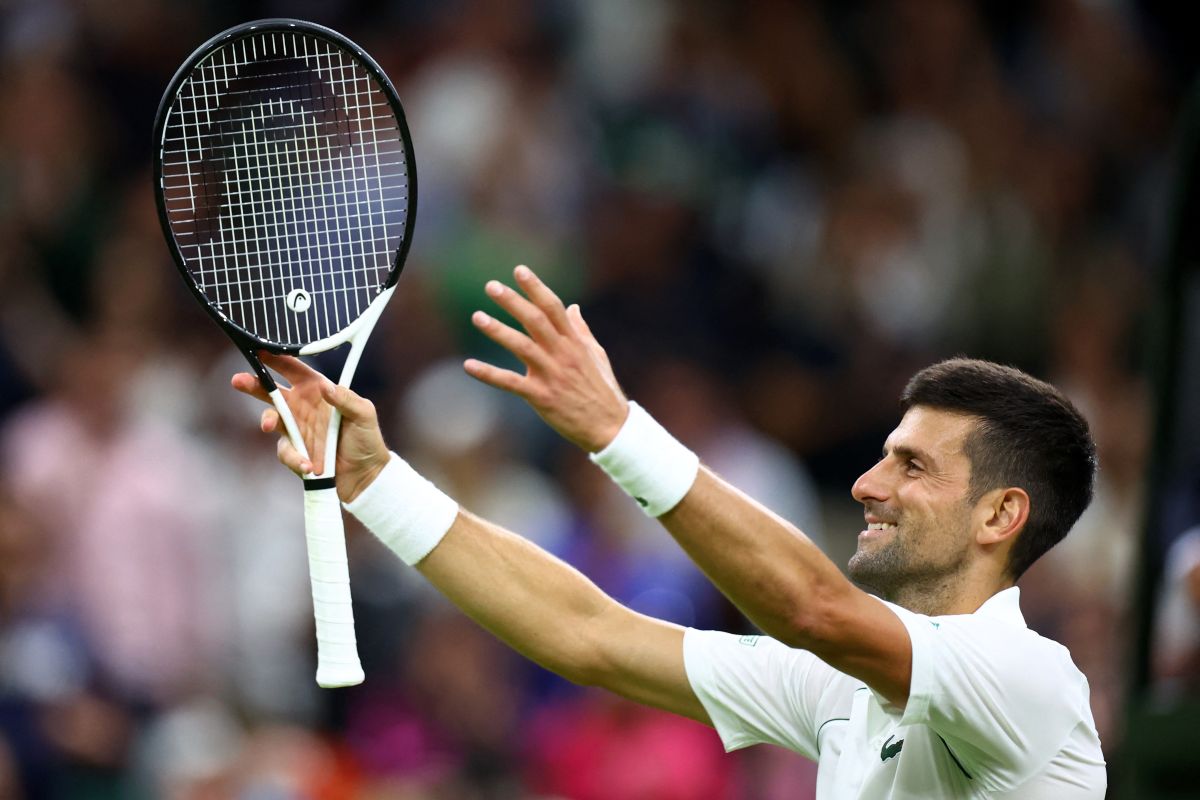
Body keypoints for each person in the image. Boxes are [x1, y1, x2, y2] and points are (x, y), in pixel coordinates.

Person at [231, 265, 1106, 797]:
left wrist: (619, 433)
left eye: (913, 467)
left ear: (1001, 515)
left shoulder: (1030, 682)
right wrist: (377, 484)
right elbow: (590, 635)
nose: (868, 484)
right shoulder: (840, 689)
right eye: (884, 455)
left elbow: (813, 607)